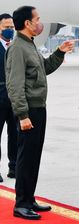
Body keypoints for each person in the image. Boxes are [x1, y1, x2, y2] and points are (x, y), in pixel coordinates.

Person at [6, 6, 76, 220]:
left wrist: (60, 52)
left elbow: (43, 68)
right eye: (37, 19)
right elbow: (14, 84)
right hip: (29, 111)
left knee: (33, 157)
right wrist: (22, 115)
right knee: (26, 158)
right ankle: (21, 203)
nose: (40, 22)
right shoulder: (18, 47)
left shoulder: (30, 45)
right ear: (27, 23)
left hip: (38, 108)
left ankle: (29, 198)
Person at [0, 13, 17, 182]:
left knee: (15, 134)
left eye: (11, 27)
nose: (9, 30)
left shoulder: (16, 46)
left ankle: (14, 167)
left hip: (14, 99)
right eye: (6, 27)